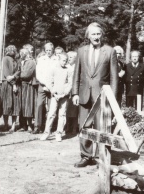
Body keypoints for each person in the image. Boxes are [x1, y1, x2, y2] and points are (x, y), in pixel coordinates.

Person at [72, 22, 118, 167]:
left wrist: (112, 98)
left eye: (98, 34)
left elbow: (114, 78)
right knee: (84, 126)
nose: (96, 37)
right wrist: (74, 93)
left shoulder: (109, 51)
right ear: (88, 36)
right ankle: (86, 156)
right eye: (93, 34)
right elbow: (76, 74)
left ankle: (100, 156)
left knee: (101, 126)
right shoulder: (81, 51)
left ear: (102, 35)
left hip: (102, 95)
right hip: (84, 94)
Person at [41, 52, 72, 142]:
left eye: (66, 61)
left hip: (64, 96)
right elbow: (49, 82)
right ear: (58, 60)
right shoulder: (53, 69)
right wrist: (54, 93)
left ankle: (59, 133)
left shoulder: (68, 70)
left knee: (62, 115)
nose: (64, 62)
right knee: (51, 114)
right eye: (63, 60)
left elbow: (70, 83)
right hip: (55, 96)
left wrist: (64, 94)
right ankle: (46, 133)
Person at [35, 41, 55, 133]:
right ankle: (37, 126)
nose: (48, 52)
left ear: (52, 50)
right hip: (42, 85)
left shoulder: (56, 59)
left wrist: (51, 85)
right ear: (44, 50)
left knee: (52, 106)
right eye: (47, 50)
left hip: (52, 86)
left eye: (50, 50)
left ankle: (49, 127)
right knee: (39, 105)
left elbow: (57, 73)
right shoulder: (41, 59)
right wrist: (45, 84)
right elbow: (38, 74)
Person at [0, 45, 20, 132]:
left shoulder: (16, 60)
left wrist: (14, 77)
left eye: (13, 50)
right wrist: (13, 84)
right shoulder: (5, 59)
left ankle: (13, 125)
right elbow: (6, 73)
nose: (12, 51)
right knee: (7, 104)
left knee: (15, 105)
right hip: (7, 84)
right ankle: (5, 124)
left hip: (15, 82)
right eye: (10, 50)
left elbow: (18, 71)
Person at [19, 47, 36, 132]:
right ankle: (23, 125)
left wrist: (18, 75)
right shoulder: (22, 62)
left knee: (28, 105)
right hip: (21, 85)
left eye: (21, 54)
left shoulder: (31, 62)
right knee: (22, 105)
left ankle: (30, 125)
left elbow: (26, 74)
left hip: (28, 86)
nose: (20, 55)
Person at [65, 50, 79, 135]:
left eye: (70, 57)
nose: (68, 59)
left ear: (75, 58)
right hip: (66, 90)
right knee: (66, 109)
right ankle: (67, 127)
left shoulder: (76, 67)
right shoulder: (66, 66)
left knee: (74, 109)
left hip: (74, 89)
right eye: (68, 57)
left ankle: (74, 127)